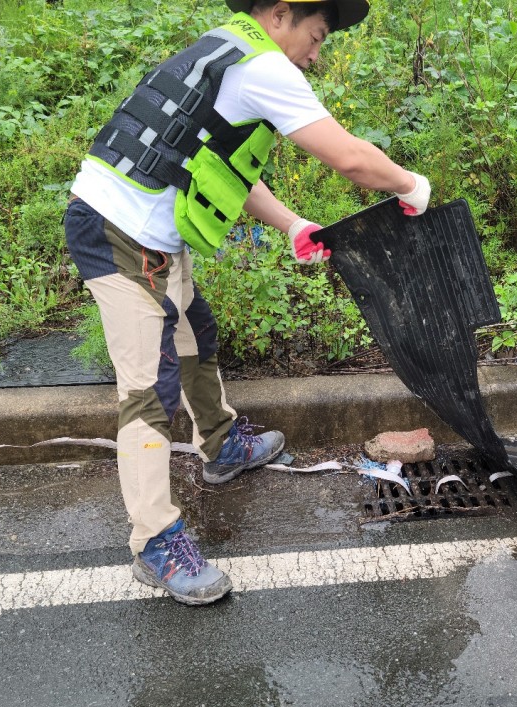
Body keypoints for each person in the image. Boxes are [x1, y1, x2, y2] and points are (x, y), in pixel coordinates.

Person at [63, 0, 431, 606]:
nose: (317, 53)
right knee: (146, 388)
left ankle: (223, 445)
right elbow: (350, 157)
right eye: (317, 36)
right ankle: (155, 543)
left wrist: (289, 224)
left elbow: (220, 168)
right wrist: (413, 186)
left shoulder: (223, 49)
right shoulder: (264, 68)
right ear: (281, 14)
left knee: (194, 335)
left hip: (152, 230)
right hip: (115, 231)